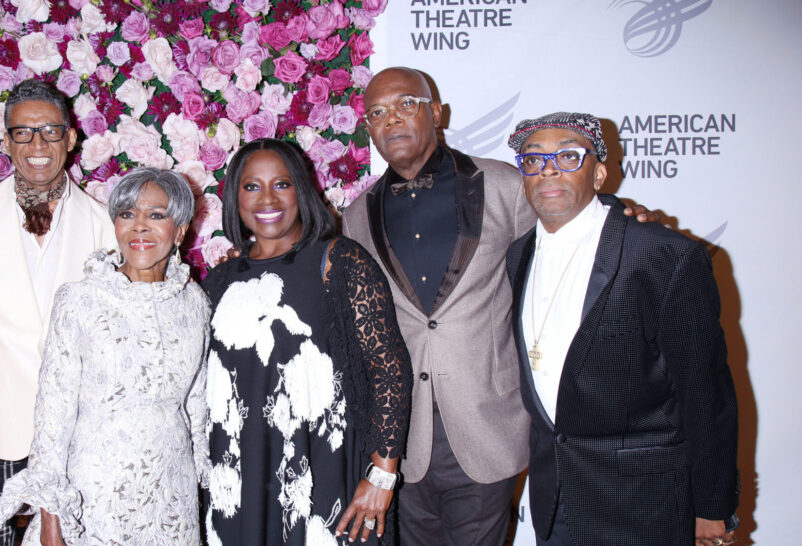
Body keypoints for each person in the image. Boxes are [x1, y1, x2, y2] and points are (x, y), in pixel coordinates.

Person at [341, 67, 660, 545]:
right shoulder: (355, 217)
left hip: (486, 421)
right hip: (402, 436)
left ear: (436, 112)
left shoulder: (503, 184)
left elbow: (568, 226)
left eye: (407, 104)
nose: (392, 119)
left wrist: (619, 213)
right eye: (377, 112)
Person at [503, 112, 739, 546]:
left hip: (642, 502)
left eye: (568, 156)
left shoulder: (662, 254)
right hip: (554, 499)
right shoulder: (518, 254)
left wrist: (712, 504)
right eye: (533, 160)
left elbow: (705, 390)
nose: (548, 169)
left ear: (599, 174)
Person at [0, 79, 116, 544]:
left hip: (75, 440)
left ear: (70, 139)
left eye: (50, 132)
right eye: (23, 133)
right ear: (7, 141)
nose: (37, 145)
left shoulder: (102, 222)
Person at [202, 138, 413, 545]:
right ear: (234, 197)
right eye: (252, 186)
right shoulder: (219, 282)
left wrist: (382, 476)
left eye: (281, 184)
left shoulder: (339, 261)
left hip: (325, 475)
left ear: (301, 189)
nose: (267, 199)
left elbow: (388, 369)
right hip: (242, 484)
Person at [0, 168, 209, 544]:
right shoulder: (80, 300)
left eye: (156, 215)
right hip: (95, 496)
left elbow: (196, 407)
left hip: (172, 495)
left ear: (180, 230)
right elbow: (53, 416)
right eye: (127, 214)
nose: (139, 226)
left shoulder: (195, 303)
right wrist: (52, 516)